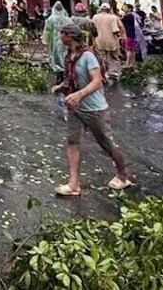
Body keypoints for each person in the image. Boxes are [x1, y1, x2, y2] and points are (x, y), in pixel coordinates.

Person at [51, 24, 131, 196]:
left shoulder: (88, 56)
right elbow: (71, 78)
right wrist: (61, 87)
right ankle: (73, 184)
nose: (60, 39)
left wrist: (80, 94)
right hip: (75, 108)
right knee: (72, 142)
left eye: (62, 35)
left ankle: (122, 175)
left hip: (94, 109)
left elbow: (97, 81)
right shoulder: (69, 56)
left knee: (107, 143)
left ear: (70, 37)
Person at [42, 1, 73, 81]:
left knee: (56, 57)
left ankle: (59, 74)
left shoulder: (50, 19)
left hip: (54, 42)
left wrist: (45, 43)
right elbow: (73, 30)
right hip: (66, 42)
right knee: (65, 55)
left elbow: (46, 32)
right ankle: (67, 73)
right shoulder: (67, 19)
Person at [93, 3, 124, 78]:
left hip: (99, 40)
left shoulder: (95, 17)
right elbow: (115, 30)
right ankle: (114, 71)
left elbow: (92, 29)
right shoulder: (112, 17)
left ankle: (104, 72)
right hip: (111, 40)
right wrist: (119, 37)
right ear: (109, 9)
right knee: (114, 56)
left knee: (102, 57)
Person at [121, 4, 138, 68]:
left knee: (128, 50)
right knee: (132, 49)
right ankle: (133, 62)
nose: (124, 8)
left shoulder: (127, 16)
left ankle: (127, 63)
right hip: (131, 34)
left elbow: (121, 21)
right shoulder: (131, 15)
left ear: (129, 9)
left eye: (125, 7)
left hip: (128, 34)